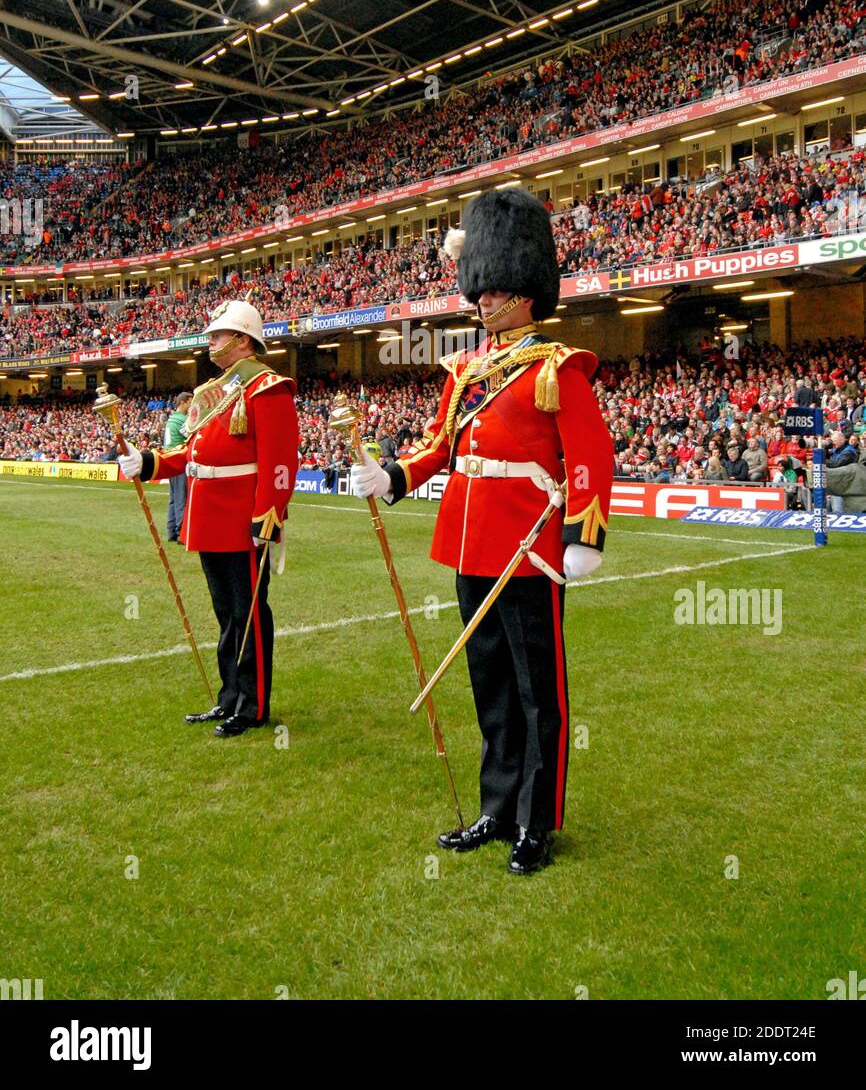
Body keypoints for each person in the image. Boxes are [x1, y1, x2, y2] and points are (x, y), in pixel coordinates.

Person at [351, 190, 613, 875]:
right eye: (479, 291)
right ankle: (497, 807)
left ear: (526, 295)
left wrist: (581, 535)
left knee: (537, 693)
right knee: (490, 685)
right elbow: (441, 447)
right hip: (470, 544)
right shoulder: (467, 372)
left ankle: (537, 820)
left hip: (528, 550)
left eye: (493, 291)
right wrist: (394, 477)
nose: (480, 303)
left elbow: (590, 456)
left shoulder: (558, 370)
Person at [118, 300, 298, 736]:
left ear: (242, 339)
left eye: (217, 335)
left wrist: (267, 517)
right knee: (226, 615)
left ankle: (253, 706)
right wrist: (148, 462)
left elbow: (280, 462)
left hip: (244, 521)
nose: (210, 341)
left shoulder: (268, 388)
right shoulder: (211, 391)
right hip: (211, 518)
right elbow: (191, 452)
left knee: (248, 614)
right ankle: (230, 696)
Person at [164, 391, 192, 542]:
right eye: (189, 402)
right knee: (182, 497)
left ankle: (171, 531)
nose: (191, 406)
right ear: (183, 403)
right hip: (179, 461)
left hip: (169, 459)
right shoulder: (182, 420)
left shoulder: (172, 418)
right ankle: (182, 532)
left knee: (174, 498)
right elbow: (190, 436)